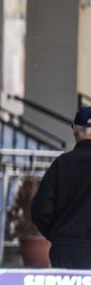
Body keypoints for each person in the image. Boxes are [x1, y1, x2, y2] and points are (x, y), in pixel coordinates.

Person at [31, 106, 91, 268]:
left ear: (74, 129)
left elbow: (41, 210)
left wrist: (58, 236)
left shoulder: (61, 164)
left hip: (66, 250)